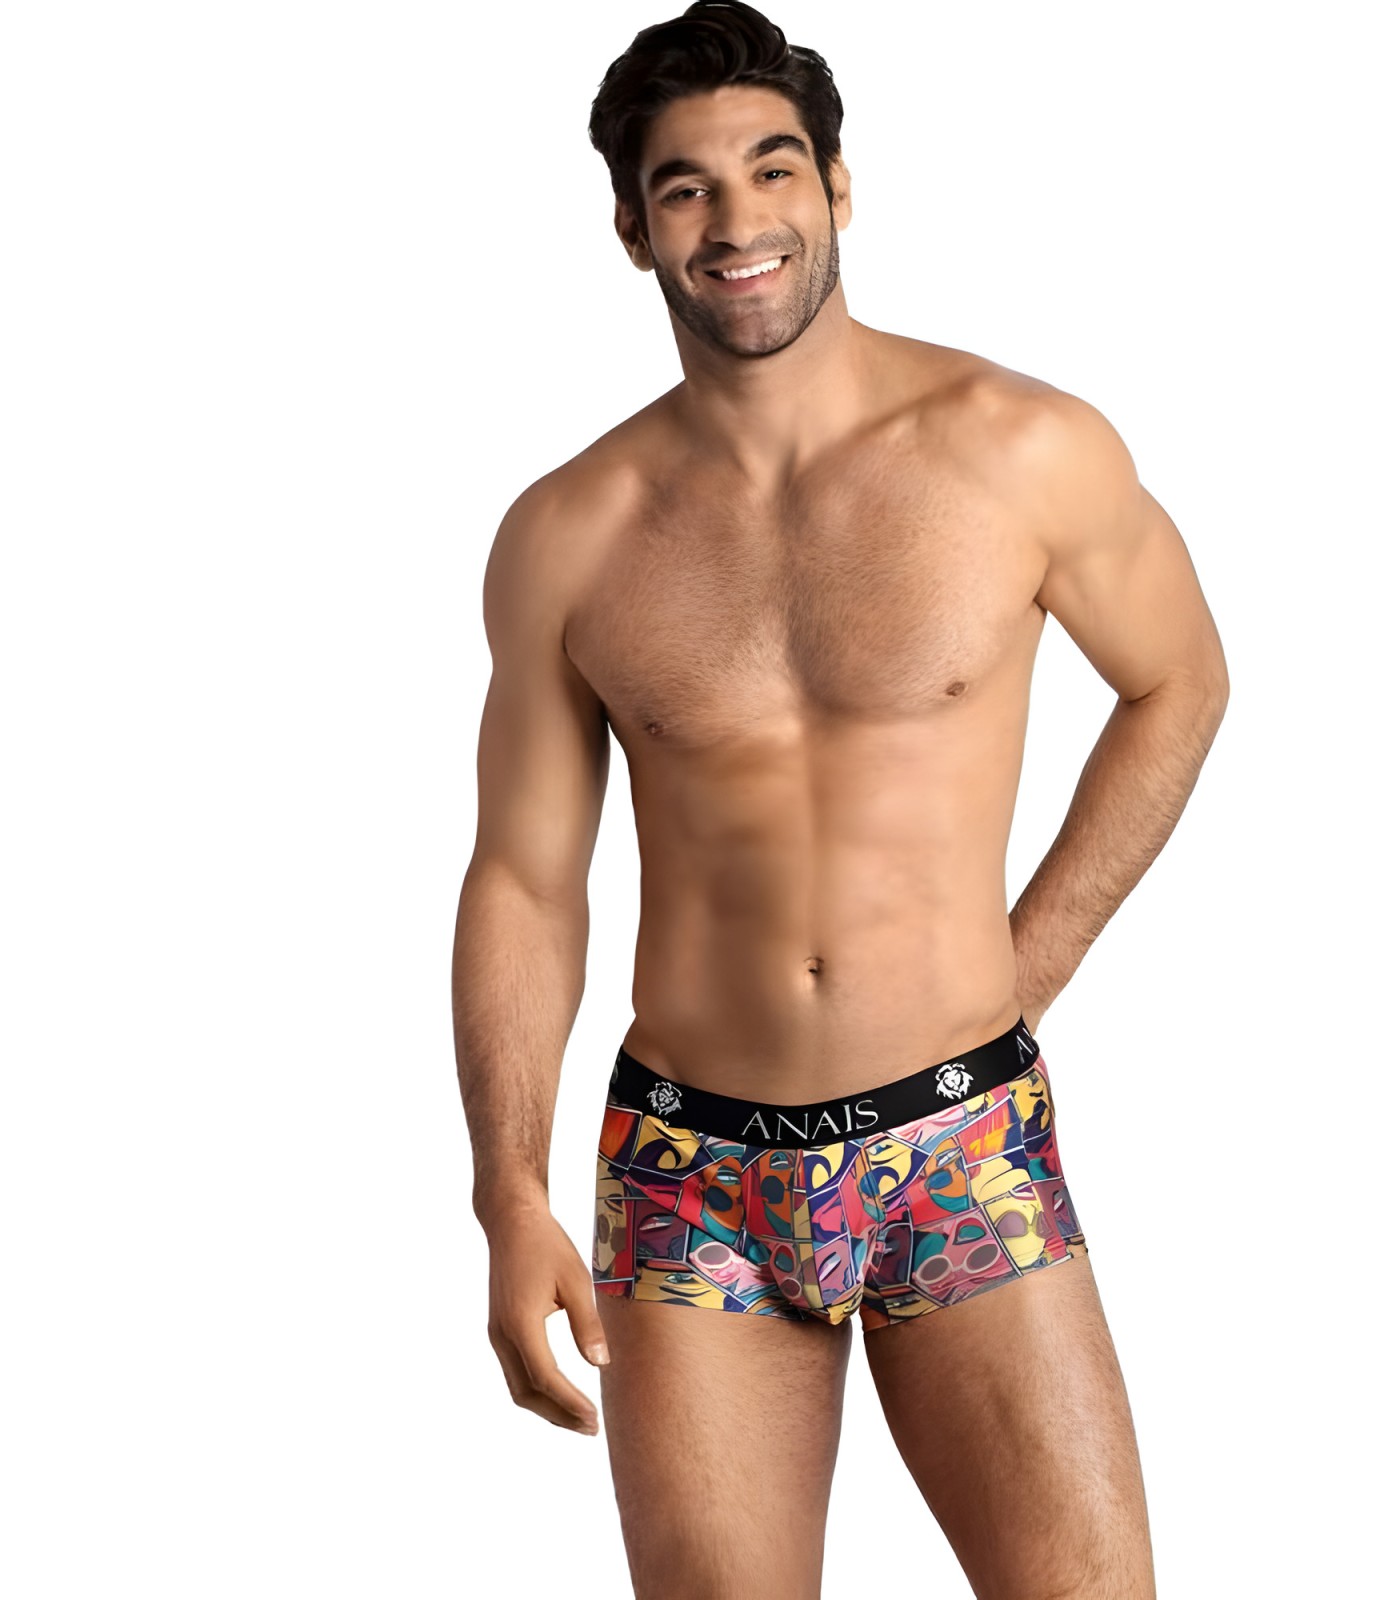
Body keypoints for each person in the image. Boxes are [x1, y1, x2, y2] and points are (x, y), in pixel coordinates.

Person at [451, 3, 1228, 1593]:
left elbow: (1181, 683)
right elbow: (526, 878)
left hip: (962, 1139)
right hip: (692, 1173)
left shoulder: (1020, 449)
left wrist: (1024, 969)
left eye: (772, 169)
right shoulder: (569, 535)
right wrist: (507, 1190)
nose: (736, 221)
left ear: (839, 188)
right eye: (684, 188)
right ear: (632, 229)